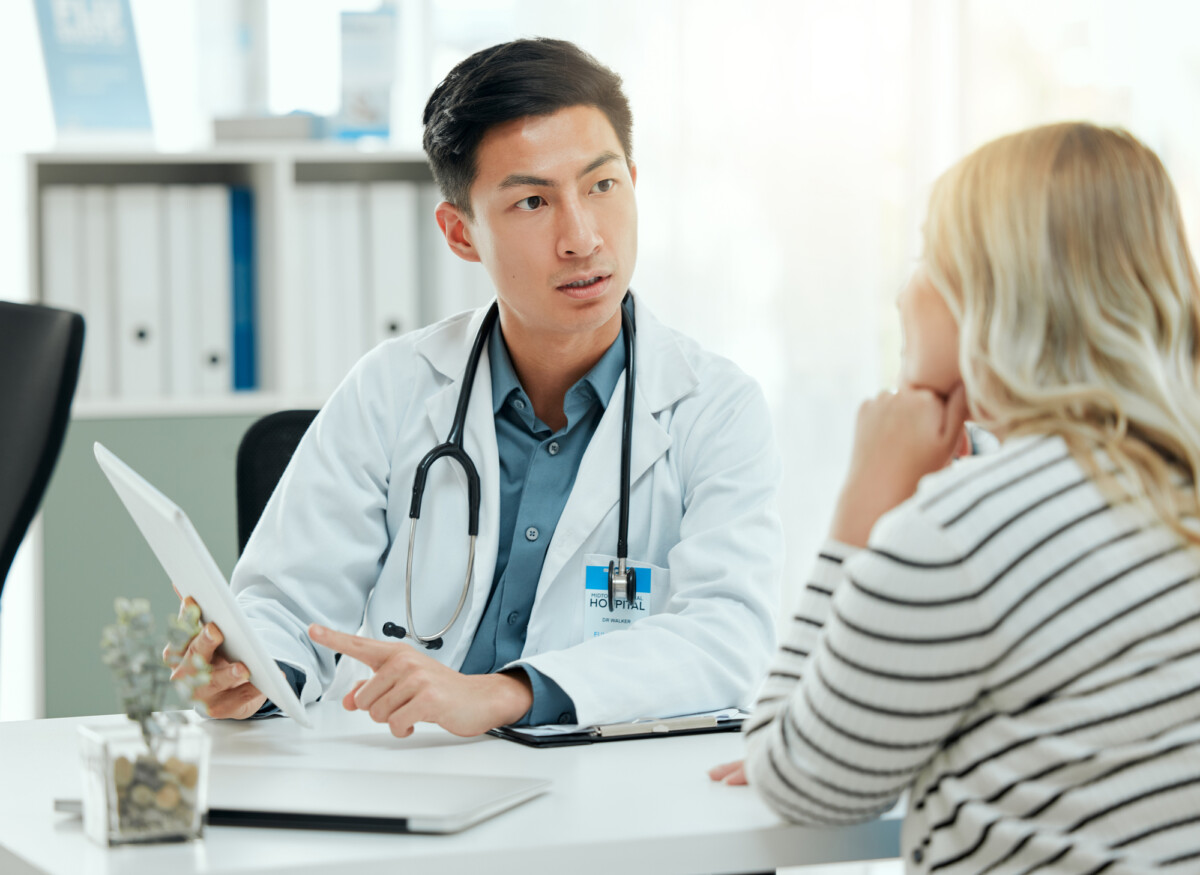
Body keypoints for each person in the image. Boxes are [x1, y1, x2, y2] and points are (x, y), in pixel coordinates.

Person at [173, 38, 784, 738]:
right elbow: (284, 604)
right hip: (413, 781)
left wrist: (507, 693)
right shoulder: (393, 387)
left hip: (613, 800)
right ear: (460, 232)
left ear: (634, 183)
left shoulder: (716, 408)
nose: (582, 236)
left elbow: (730, 637)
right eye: (532, 201)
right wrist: (248, 670)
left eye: (602, 185)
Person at [715, 123, 1200, 873]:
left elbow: (801, 779)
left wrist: (862, 510)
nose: (903, 289)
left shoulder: (962, 533)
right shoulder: (1173, 483)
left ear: (990, 290)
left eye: (924, 256)